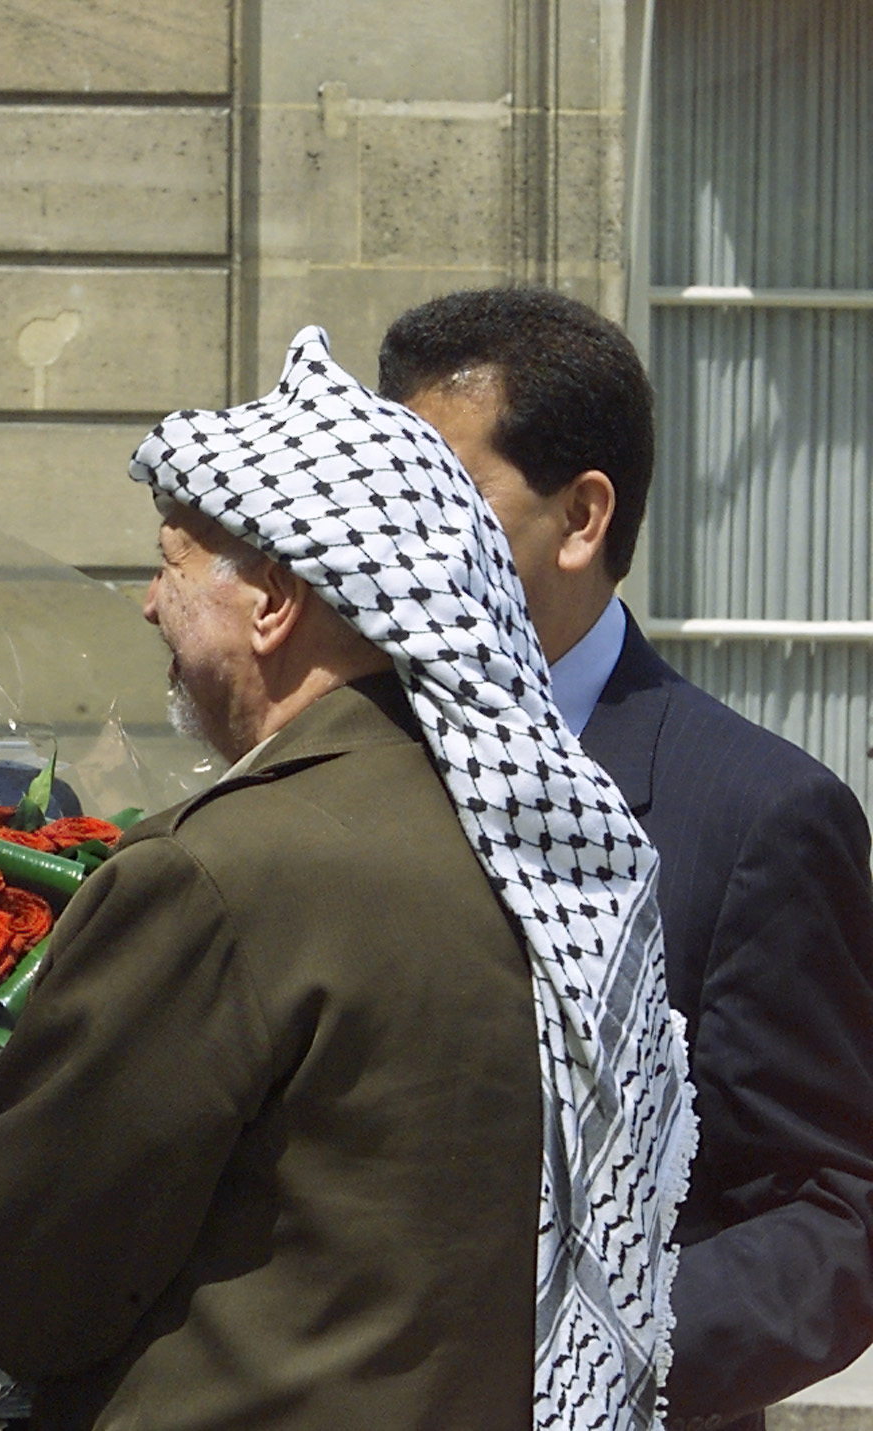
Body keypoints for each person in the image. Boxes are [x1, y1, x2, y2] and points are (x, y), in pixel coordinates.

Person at [0, 328, 695, 1430]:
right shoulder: (523, 845)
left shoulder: (220, 868)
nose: (148, 604)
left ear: (275, 600)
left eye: (170, 563)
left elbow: (21, 1274)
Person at [379, 285, 873, 1430]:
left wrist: (571, 1363)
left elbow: (830, 1210)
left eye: (436, 501)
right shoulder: (339, 758)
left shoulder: (757, 814)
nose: (392, 548)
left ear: (580, 516)